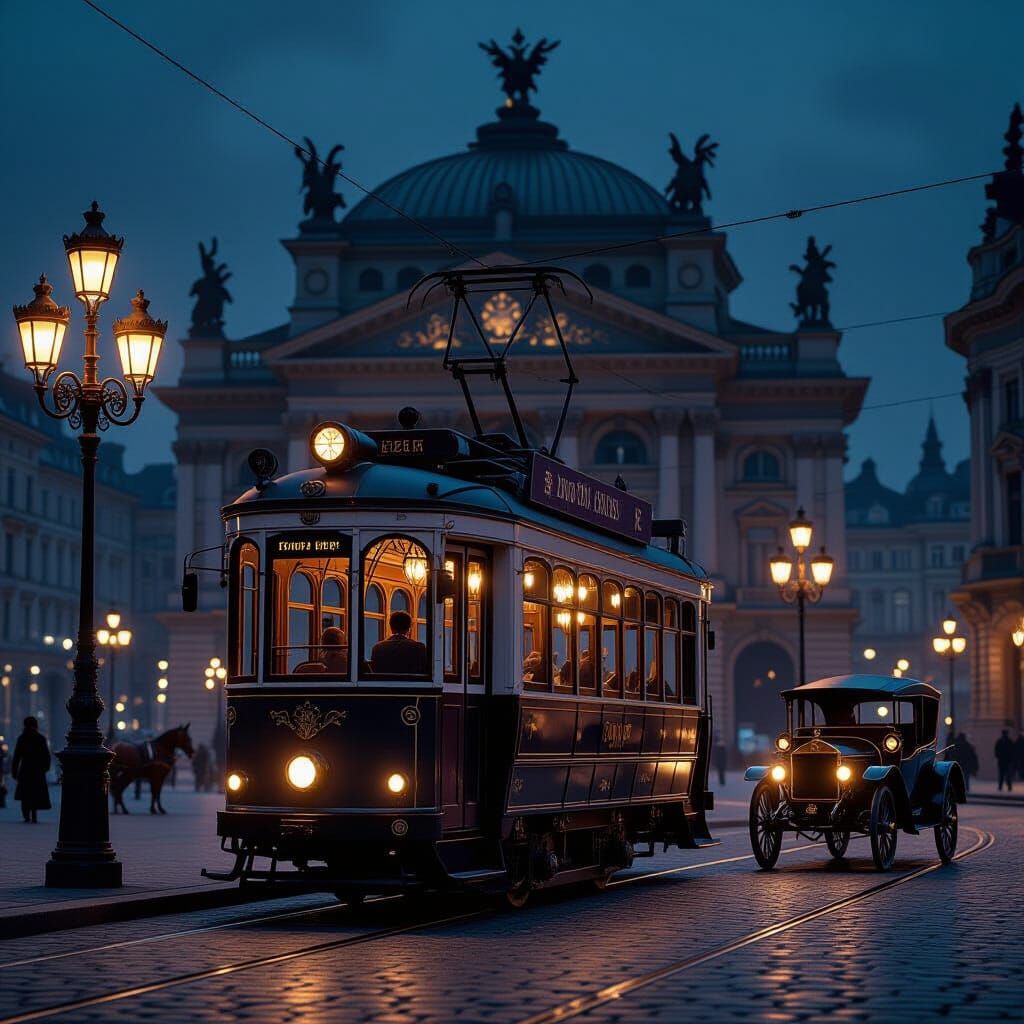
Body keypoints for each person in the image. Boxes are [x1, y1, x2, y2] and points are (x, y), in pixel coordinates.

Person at [11, 717, 51, 823]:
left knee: (25, 795)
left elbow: (17, 756)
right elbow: (46, 756)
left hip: (25, 769)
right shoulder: (41, 739)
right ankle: (34, 814)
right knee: (35, 793)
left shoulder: (22, 738)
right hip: (37, 770)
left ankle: (26, 815)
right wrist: (45, 768)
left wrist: (14, 771)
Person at [370, 610, 429, 675]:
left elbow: (375, 672)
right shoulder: (419, 647)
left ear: (391, 627)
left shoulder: (377, 648)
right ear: (409, 628)